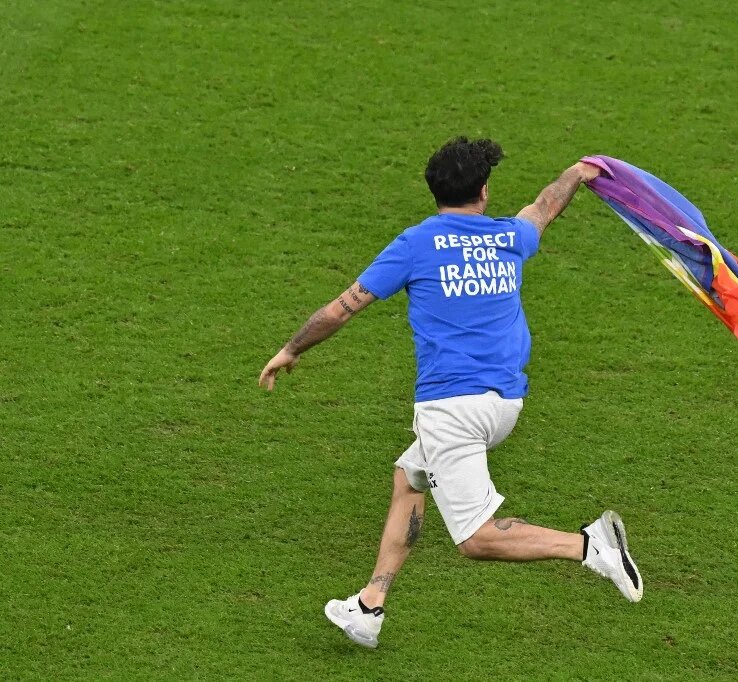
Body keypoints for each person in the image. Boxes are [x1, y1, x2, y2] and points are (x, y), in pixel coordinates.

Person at [258, 137, 642, 649]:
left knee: (476, 539)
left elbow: (341, 308)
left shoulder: (416, 244)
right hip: (504, 405)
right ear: (483, 191)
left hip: (450, 412)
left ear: (433, 192)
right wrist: (576, 173)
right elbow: (544, 207)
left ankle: (589, 545)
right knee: (409, 477)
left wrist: (290, 349)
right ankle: (370, 605)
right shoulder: (508, 236)